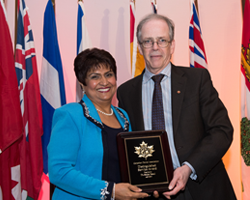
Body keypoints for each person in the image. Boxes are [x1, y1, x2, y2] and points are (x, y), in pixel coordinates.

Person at [117, 14, 236, 200]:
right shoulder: (126, 92)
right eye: (148, 41)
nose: (155, 47)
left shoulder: (198, 80)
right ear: (140, 48)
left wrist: (189, 167)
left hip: (203, 187)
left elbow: (222, 130)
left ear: (172, 45)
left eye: (161, 40)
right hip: (154, 194)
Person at [48, 48, 149, 200]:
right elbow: (59, 171)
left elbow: (131, 166)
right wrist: (110, 191)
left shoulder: (123, 116)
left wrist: (150, 184)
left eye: (109, 75)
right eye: (95, 77)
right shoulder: (70, 114)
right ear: (83, 83)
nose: (104, 82)